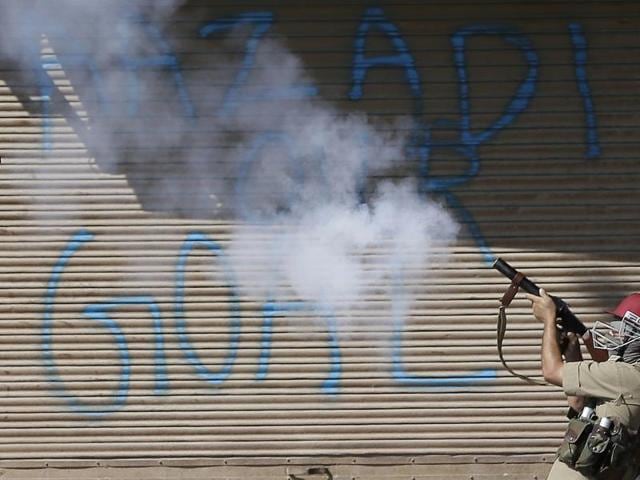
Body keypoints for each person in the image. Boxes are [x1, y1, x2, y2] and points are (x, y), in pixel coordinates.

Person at [526, 289, 640, 480]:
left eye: (620, 327)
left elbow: (552, 371)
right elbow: (578, 404)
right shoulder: (619, 373)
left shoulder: (627, 375)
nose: (612, 331)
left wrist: (548, 320)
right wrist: (572, 353)